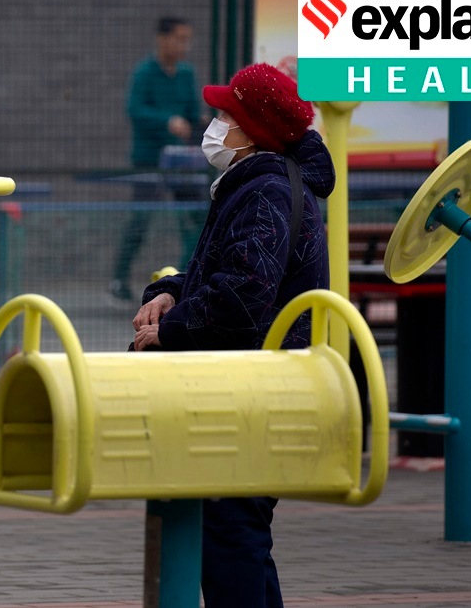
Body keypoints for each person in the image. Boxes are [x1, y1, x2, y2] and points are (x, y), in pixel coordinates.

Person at [130, 63, 335, 607]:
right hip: (259, 384)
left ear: (250, 131)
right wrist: (173, 289)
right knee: (239, 536)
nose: (213, 124)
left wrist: (168, 330)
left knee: (230, 536)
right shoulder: (258, 184)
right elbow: (230, 266)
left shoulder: (264, 191)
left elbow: (244, 293)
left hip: (253, 391)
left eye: (224, 115)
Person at [110, 16, 201, 304]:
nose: (183, 45)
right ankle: (118, 279)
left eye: (187, 39)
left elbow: (192, 112)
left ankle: (186, 276)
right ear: (162, 39)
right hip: (149, 159)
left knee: (198, 216)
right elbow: (135, 110)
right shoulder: (145, 73)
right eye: (178, 38)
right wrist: (167, 121)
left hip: (182, 162)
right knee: (141, 218)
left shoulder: (186, 74)